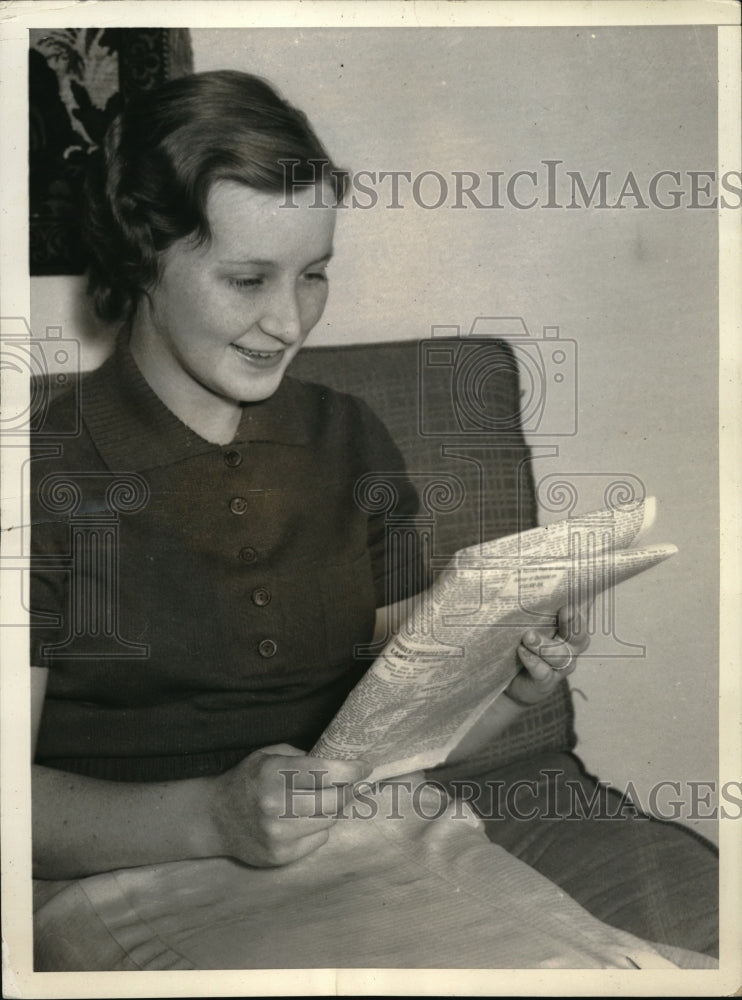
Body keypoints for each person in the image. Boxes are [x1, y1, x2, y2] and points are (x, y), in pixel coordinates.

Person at [30, 70, 589, 880]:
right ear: (141, 258)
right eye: (248, 279)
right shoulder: (34, 475)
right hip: (130, 880)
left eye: (314, 273)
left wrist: (513, 692)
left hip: (370, 847)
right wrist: (210, 817)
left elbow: (394, 738)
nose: (291, 323)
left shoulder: (349, 438)